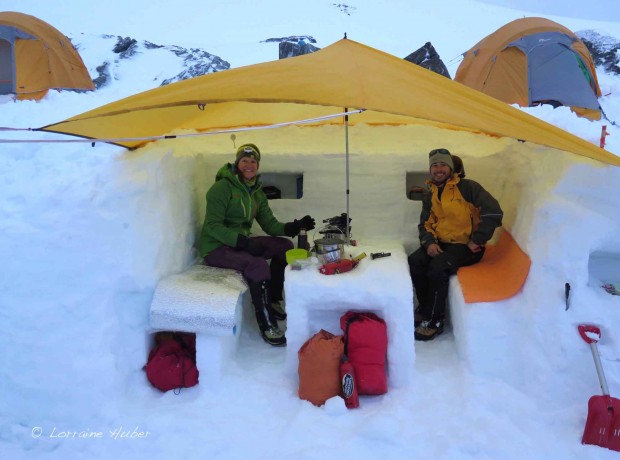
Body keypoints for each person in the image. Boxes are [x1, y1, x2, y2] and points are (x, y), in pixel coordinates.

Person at [199, 143, 315, 346]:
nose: (249, 165)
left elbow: (269, 224)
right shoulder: (222, 188)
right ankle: (268, 324)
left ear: (258, 165)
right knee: (258, 264)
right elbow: (212, 226)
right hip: (216, 247)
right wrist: (243, 243)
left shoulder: (256, 192)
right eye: (244, 160)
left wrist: (293, 227)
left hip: (239, 242)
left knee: (285, 246)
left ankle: (273, 299)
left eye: (253, 161)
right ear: (237, 163)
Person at [409, 148, 503, 341]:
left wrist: (476, 240)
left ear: (451, 168)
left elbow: (493, 212)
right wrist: (429, 243)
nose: (438, 169)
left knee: (437, 269)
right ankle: (426, 308)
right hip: (441, 243)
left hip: (466, 246)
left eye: (443, 164)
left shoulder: (468, 188)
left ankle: (435, 321)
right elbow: (424, 223)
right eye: (434, 165)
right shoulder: (430, 192)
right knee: (416, 261)